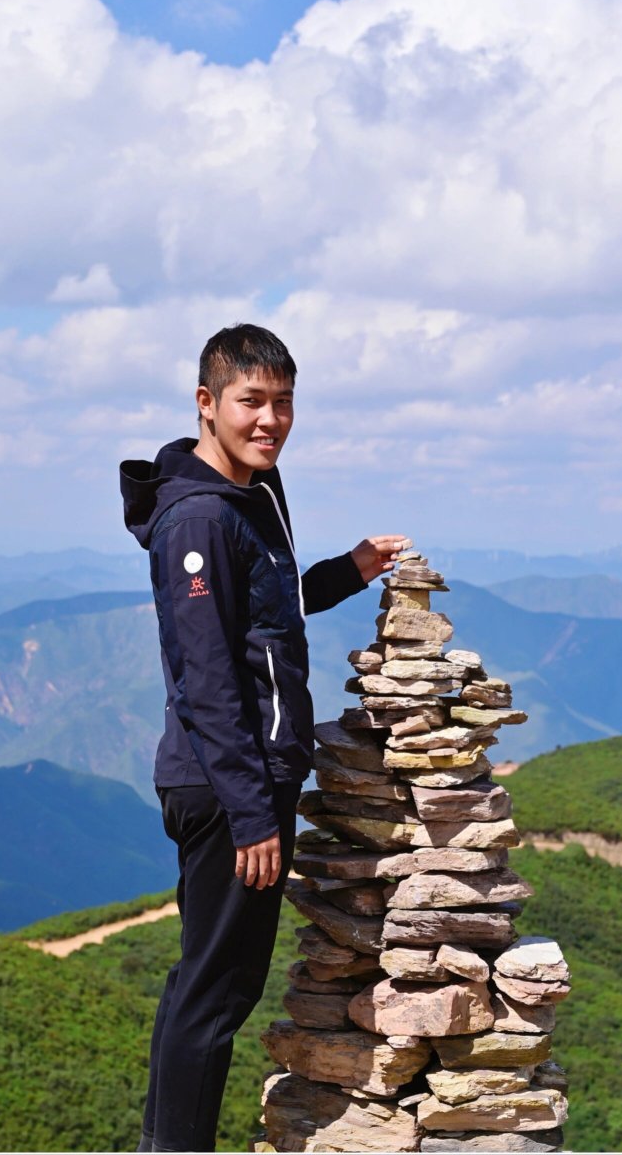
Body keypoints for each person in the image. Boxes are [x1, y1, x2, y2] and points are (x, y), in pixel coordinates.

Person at [119, 323, 409, 1153]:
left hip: (240, 775)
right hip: (227, 785)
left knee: (207, 982)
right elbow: (208, 677)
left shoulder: (249, 493)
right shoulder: (199, 519)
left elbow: (266, 611)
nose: (270, 420)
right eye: (252, 401)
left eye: (283, 402)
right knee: (218, 991)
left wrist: (347, 570)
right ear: (206, 404)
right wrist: (251, 814)